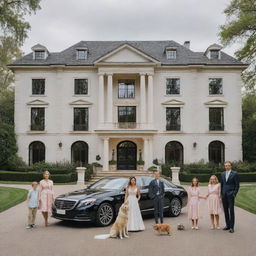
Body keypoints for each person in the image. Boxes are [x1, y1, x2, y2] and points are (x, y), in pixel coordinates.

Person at [221, 161, 240, 233]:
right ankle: (227, 225)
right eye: (225, 165)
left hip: (231, 195)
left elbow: (237, 185)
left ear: (231, 166)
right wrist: (221, 194)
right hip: (224, 195)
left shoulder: (235, 174)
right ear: (224, 166)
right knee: (225, 211)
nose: (227, 167)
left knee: (231, 211)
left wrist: (234, 194)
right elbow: (222, 185)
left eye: (228, 165)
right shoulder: (222, 174)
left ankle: (232, 227)